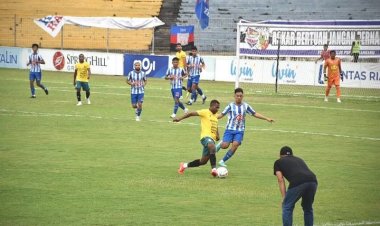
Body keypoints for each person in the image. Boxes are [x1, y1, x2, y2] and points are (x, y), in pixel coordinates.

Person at [216, 88, 274, 167]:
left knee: (235, 144)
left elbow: (254, 113)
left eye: (240, 96)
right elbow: (221, 114)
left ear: (243, 96)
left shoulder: (246, 106)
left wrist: (266, 118)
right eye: (237, 96)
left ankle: (222, 161)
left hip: (240, 130)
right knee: (225, 146)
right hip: (229, 129)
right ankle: (221, 143)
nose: (239, 97)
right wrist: (212, 117)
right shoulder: (230, 106)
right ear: (234, 96)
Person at [273, 146, 318, 226]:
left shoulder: (278, 162)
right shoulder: (299, 159)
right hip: (313, 181)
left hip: (298, 182)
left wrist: (284, 197)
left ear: (280, 155)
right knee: (308, 208)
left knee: (287, 206)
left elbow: (280, 179)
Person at [175, 100, 220, 177]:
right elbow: (190, 113)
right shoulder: (205, 112)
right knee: (213, 147)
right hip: (205, 137)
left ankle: (184, 165)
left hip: (211, 140)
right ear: (211, 106)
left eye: (218, 108)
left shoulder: (215, 116)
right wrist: (179, 119)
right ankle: (214, 169)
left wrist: (217, 135)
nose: (218, 109)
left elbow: (215, 126)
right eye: (216, 107)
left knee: (203, 161)